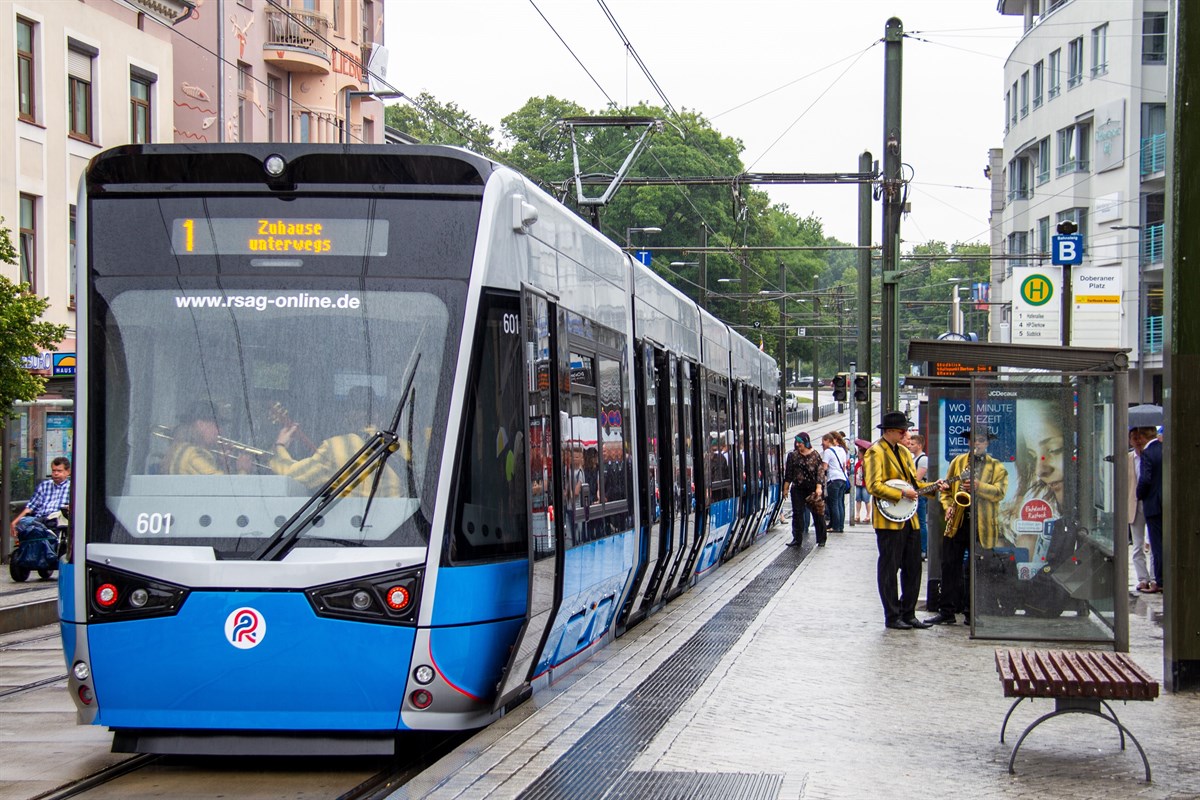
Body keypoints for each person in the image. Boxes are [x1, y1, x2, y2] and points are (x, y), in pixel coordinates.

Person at [865, 412, 943, 630]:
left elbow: (913, 485)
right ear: (890, 431)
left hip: (911, 519)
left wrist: (933, 487)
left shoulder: (904, 452)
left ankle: (908, 613)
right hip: (889, 520)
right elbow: (873, 485)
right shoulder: (875, 452)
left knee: (913, 567)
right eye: (903, 430)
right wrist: (900, 494)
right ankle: (892, 615)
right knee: (889, 568)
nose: (906, 434)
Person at [925, 429, 1008, 625]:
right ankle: (947, 611)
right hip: (958, 522)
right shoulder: (958, 462)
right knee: (949, 566)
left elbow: (1000, 492)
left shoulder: (996, 467)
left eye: (980, 441)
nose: (976, 444)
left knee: (975, 569)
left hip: (982, 525)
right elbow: (945, 490)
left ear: (987, 443)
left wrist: (979, 486)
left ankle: (972, 612)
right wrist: (947, 508)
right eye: (973, 441)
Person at [272, 388, 403, 497]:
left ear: (346, 416)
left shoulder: (337, 448)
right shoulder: (403, 447)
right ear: (378, 415)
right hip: (401, 526)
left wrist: (280, 447)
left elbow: (292, 475)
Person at [10, 457, 71, 543]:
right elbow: (30, 507)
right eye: (53, 471)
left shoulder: (72, 487)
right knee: (24, 522)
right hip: (40, 520)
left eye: (59, 471)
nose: (55, 473)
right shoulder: (44, 486)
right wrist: (15, 522)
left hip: (57, 521)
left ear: (68, 472)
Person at [782, 432, 827, 547]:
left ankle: (821, 539)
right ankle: (797, 539)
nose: (798, 445)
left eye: (800, 443)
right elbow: (789, 474)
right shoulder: (793, 456)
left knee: (818, 513)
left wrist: (818, 487)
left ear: (806, 442)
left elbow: (820, 472)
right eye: (797, 443)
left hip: (812, 489)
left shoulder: (815, 455)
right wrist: (785, 488)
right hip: (798, 488)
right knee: (797, 514)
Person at [1134, 426, 1163, 594]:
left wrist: (1140, 495)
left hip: (1153, 504)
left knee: (1157, 544)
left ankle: (1159, 581)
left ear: (1143, 437)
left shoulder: (1147, 453)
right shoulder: (1165, 449)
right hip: (1167, 503)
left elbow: (1144, 480)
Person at [1127, 428, 1154, 593]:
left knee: (1153, 544)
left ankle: (1155, 577)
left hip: (1150, 503)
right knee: (1137, 545)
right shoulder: (1129, 458)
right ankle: (1142, 579)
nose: (1137, 441)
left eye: (1140, 437)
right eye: (1133, 438)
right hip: (1134, 504)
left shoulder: (1153, 455)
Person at [903, 433, 930, 559]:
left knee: (921, 522)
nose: (910, 446)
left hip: (920, 493)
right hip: (915, 493)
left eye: (913, 444)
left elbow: (916, 479)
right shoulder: (914, 458)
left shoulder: (923, 459)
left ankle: (923, 549)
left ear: (919, 446)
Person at [820, 433, 849, 533]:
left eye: (823, 442)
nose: (822, 444)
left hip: (833, 479)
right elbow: (844, 465)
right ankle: (840, 526)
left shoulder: (828, 451)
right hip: (842, 479)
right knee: (840, 503)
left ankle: (835, 527)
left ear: (828, 440)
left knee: (834, 503)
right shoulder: (841, 450)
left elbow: (824, 467)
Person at [852, 438, 871, 524]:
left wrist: (865, 466)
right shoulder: (858, 463)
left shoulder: (868, 463)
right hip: (858, 483)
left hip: (865, 484)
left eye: (859, 453)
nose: (858, 455)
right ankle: (857, 514)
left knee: (866, 500)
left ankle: (868, 515)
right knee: (858, 499)